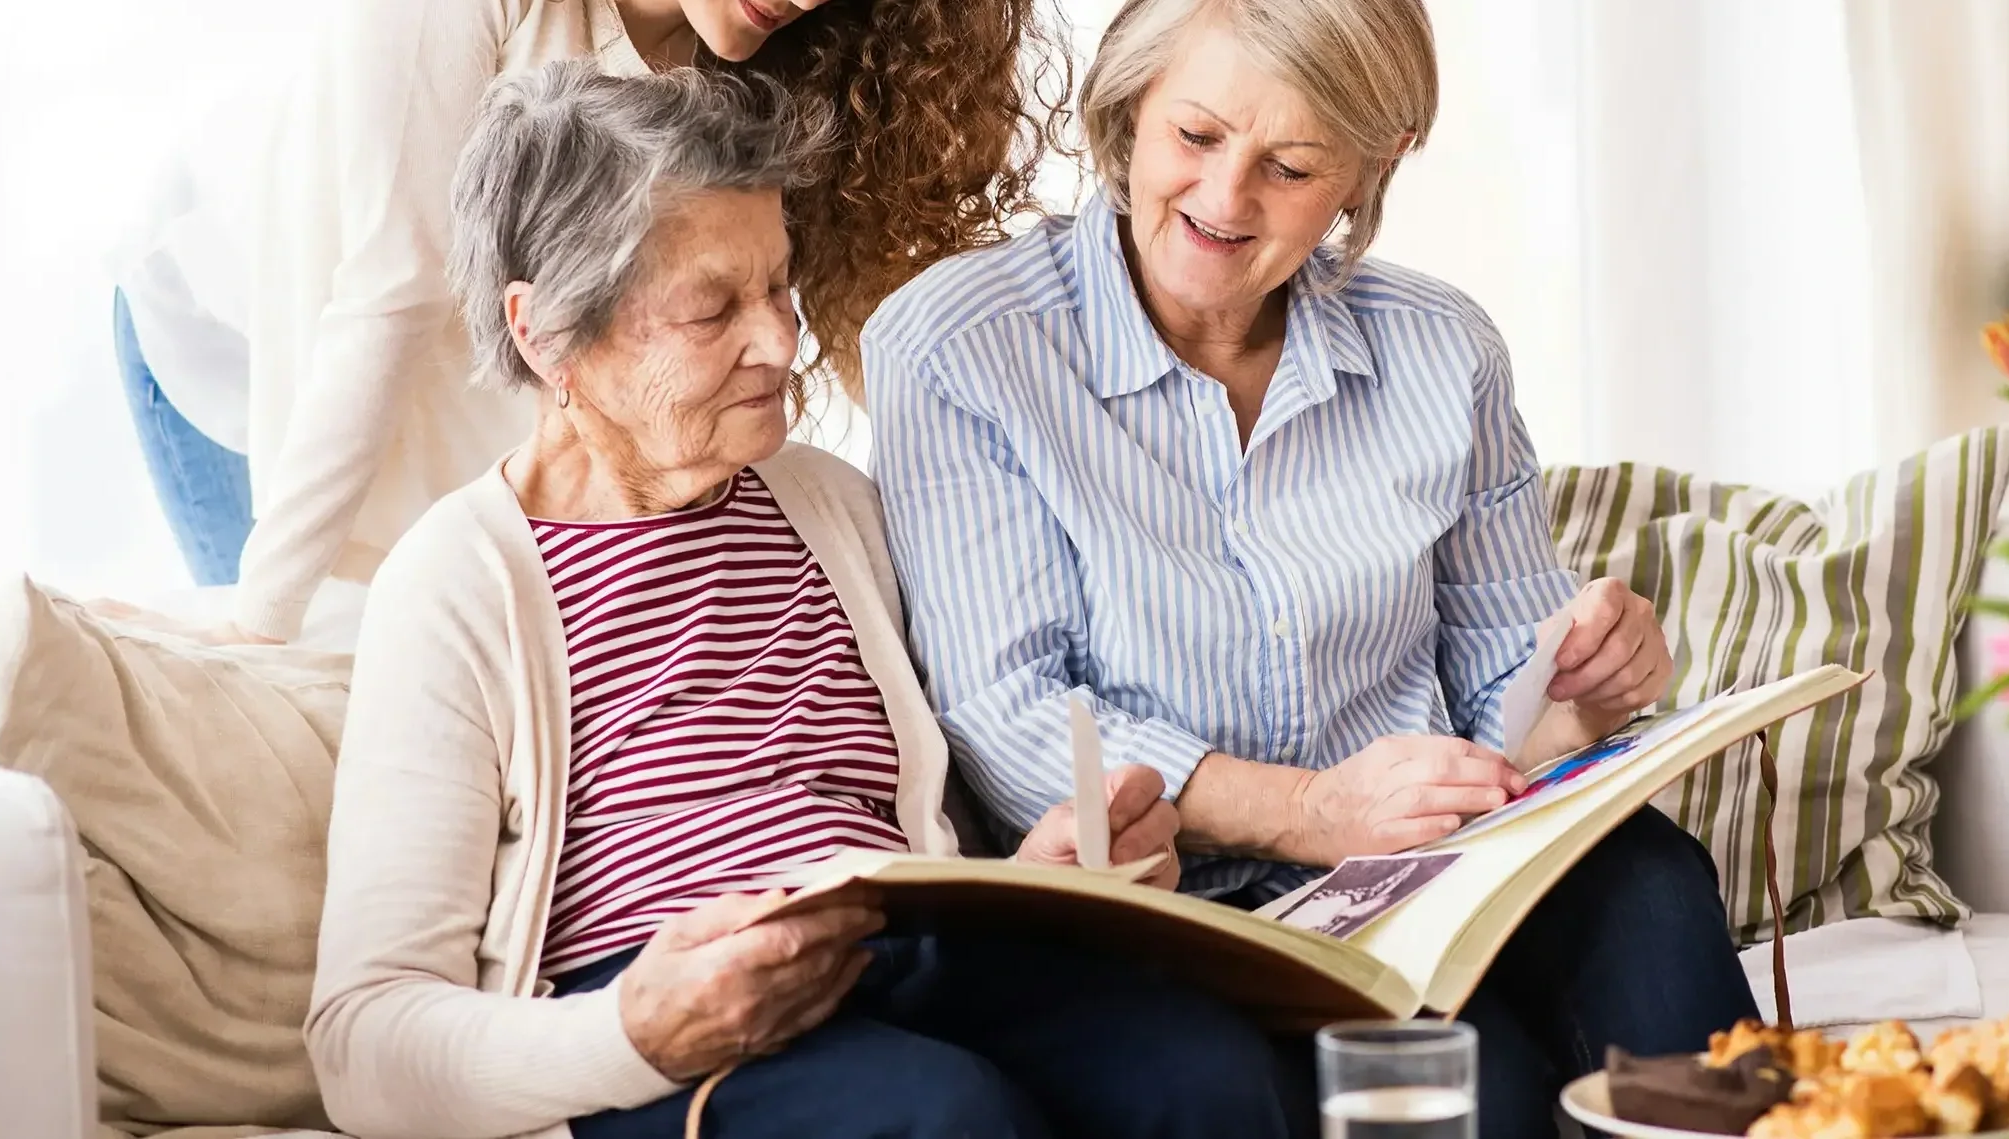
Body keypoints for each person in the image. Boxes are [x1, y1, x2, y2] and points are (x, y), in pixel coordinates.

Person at [864, 0, 1759, 1136]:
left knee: (1653, 881)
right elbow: (1014, 716)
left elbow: (1508, 681)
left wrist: (1586, 688)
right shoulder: (962, 345)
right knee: (1482, 1089)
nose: (1224, 196)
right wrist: (1310, 809)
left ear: (1368, 169)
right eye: (1196, 132)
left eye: (1289, 167)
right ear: (1130, 99)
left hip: (1426, 878)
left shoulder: (1440, 349)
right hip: (1171, 901)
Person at [308, 63, 1295, 1139]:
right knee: (939, 1118)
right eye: (709, 308)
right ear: (549, 333)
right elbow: (365, 1040)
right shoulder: (456, 579)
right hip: (660, 1015)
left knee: (1206, 1072)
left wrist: (1040, 872)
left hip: (903, 954)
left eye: (778, 285)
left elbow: (925, 834)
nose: (780, 340)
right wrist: (636, 1032)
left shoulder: (827, 501)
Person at [113, 0, 1067, 638]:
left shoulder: (772, 61)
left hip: (450, 381)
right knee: (298, 694)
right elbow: (390, 286)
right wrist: (257, 626)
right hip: (254, 344)